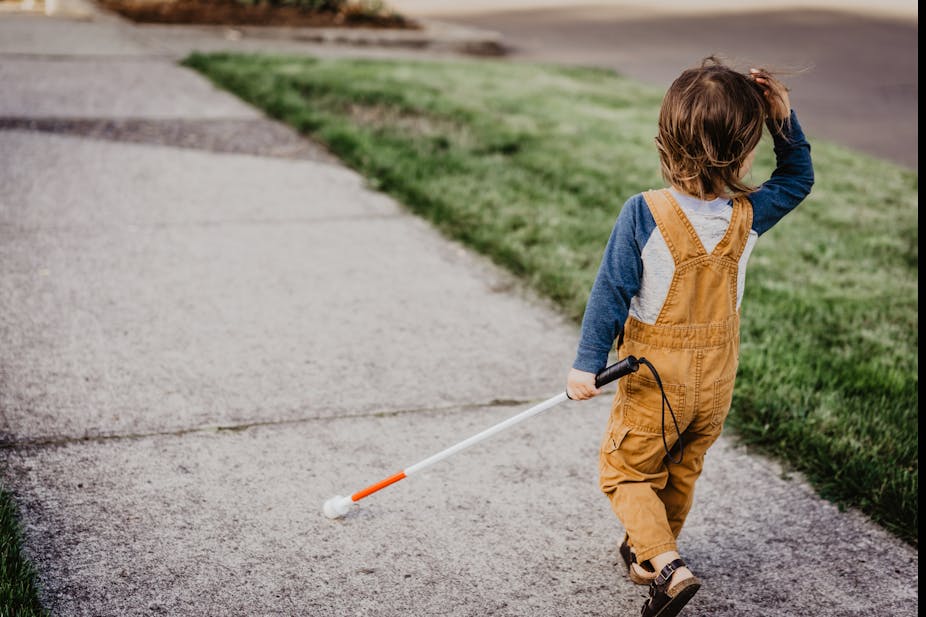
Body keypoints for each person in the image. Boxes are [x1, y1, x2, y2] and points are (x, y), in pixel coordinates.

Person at [565, 56, 813, 617]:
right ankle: (646, 552)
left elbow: (611, 292)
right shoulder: (748, 213)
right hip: (717, 379)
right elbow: (799, 177)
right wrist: (783, 120)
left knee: (626, 471)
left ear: (664, 139)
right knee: (680, 468)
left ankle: (668, 564)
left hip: (654, 376)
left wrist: (586, 365)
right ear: (746, 152)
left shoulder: (643, 213)